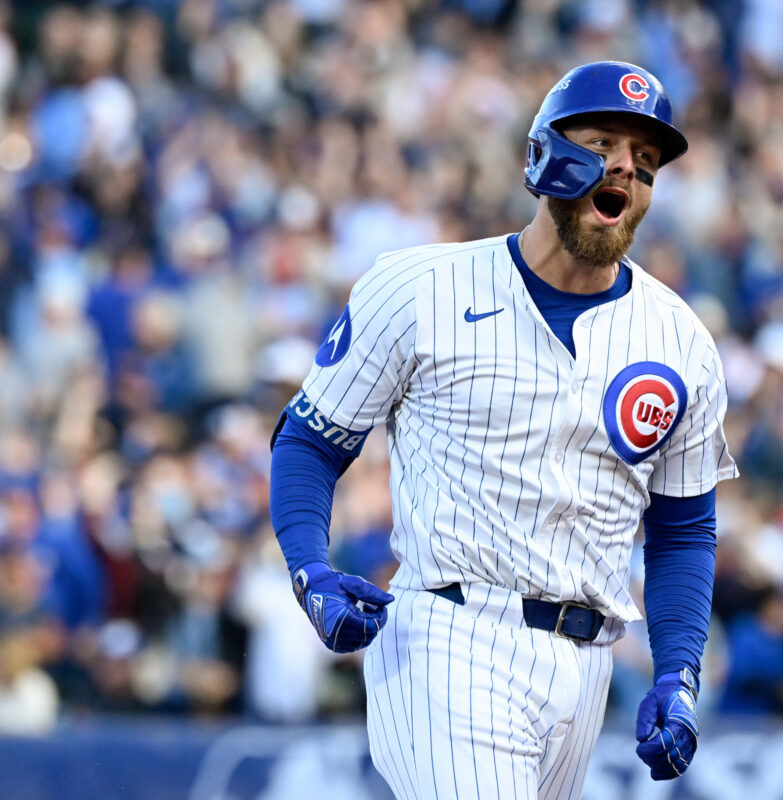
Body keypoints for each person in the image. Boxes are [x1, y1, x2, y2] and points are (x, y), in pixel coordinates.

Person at [267, 61, 738, 800]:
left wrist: (678, 670)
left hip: (588, 665)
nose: (626, 168)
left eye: (645, 163)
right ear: (543, 155)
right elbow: (310, 439)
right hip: (451, 632)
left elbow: (683, 530)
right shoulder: (420, 286)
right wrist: (310, 567)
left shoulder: (680, 341)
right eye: (604, 143)